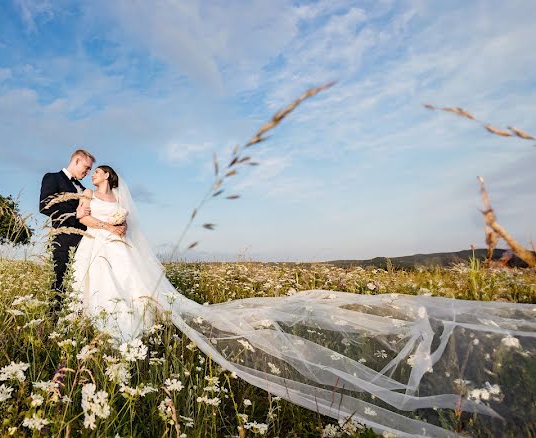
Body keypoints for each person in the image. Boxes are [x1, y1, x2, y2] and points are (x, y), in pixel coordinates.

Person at [69, 165, 536, 437]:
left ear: (111, 179)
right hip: (99, 254)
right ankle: (110, 335)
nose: (96, 180)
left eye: (101, 175)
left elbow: (122, 228)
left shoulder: (116, 203)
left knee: (132, 294)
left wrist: (103, 226)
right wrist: (92, 224)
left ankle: (127, 335)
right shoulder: (85, 200)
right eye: (94, 176)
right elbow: (84, 221)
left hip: (117, 249)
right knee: (104, 292)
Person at [40, 150, 125, 313]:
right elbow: (44, 206)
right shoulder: (53, 178)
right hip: (65, 239)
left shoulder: (85, 189)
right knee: (61, 281)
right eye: (86, 168)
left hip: (88, 242)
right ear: (77, 161)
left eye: (90, 170)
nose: (87, 173)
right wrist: (74, 214)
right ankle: (54, 322)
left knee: (83, 284)